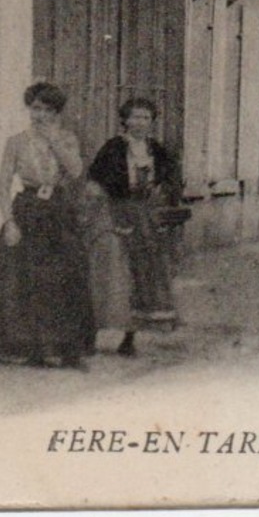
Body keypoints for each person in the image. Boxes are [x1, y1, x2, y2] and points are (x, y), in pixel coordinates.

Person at [0, 82, 94, 369]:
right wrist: (9, 222)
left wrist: (53, 140)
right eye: (35, 109)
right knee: (21, 278)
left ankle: (58, 346)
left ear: (57, 112)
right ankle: (23, 346)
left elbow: (76, 171)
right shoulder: (16, 141)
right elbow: (2, 186)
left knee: (61, 276)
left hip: (57, 211)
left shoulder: (66, 138)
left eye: (47, 110)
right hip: (27, 210)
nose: (39, 115)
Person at [85, 98, 183, 356]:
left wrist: (161, 191)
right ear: (125, 120)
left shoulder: (157, 150)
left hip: (145, 220)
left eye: (145, 118)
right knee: (111, 275)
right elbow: (94, 181)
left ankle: (129, 338)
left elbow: (173, 179)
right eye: (135, 117)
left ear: (152, 122)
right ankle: (91, 334)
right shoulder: (113, 148)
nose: (139, 123)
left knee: (141, 277)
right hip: (114, 215)